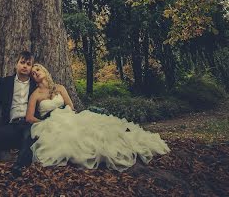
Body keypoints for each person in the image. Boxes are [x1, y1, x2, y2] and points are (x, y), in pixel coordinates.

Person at [26, 63, 170, 171]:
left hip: (69, 117)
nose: (36, 73)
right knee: (70, 142)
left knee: (97, 132)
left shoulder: (60, 88)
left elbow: (70, 105)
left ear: (44, 71)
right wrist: (47, 123)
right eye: (33, 73)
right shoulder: (35, 94)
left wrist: (66, 115)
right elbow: (29, 117)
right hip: (52, 122)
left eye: (37, 70)